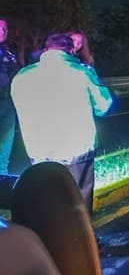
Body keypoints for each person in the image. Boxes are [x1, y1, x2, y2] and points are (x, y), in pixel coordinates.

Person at [10, 33, 113, 213]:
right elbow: (104, 106)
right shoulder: (83, 72)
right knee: (78, 204)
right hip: (76, 151)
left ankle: (47, 238)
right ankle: (80, 240)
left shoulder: (22, 75)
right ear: (71, 49)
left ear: (46, 49)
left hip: (38, 151)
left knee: (48, 201)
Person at [0, 17, 20, 175]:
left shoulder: (9, 51)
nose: (2, 32)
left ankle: (2, 184)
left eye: (4, 29)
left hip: (8, 103)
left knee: (5, 148)